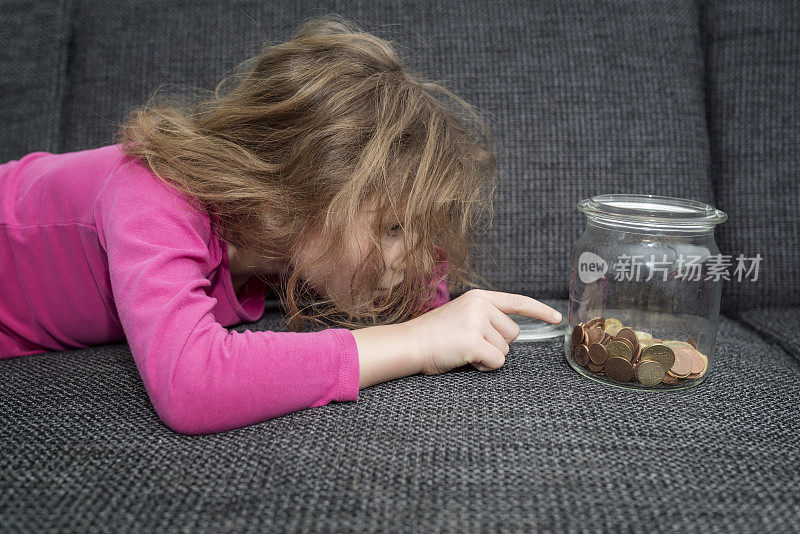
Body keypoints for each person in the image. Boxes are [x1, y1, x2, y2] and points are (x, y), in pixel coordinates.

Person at [0, 14, 561, 435]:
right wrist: (413, 341)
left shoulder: (279, 240)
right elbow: (190, 386)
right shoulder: (148, 194)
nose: (413, 255)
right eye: (393, 228)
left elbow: (418, 292)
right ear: (287, 201)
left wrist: (439, 310)